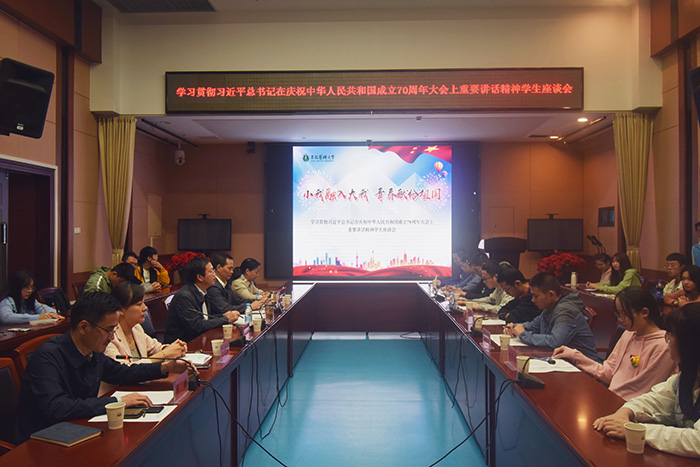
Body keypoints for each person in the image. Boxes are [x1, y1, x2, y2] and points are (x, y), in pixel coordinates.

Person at [17, 292, 191, 440]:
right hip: (45, 441)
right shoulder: (48, 356)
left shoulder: (93, 351)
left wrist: (165, 368)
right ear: (83, 327)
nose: (112, 337)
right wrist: (117, 402)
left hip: (82, 429)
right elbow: (57, 407)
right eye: (109, 330)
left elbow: (123, 373)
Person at [593, 303, 700, 458]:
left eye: (671, 336)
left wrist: (638, 431)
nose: (668, 342)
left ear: (690, 345)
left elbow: (696, 441)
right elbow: (656, 400)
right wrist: (626, 412)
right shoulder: (687, 377)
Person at [553, 287, 675, 401]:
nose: (620, 320)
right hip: (612, 399)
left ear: (644, 312)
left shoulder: (663, 346)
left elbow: (642, 391)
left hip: (630, 407)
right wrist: (575, 356)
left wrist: (605, 398)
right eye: (618, 315)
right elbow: (609, 372)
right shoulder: (629, 334)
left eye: (624, 315)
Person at [505, 272, 599, 362]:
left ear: (551, 295)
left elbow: (554, 342)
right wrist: (514, 327)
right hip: (563, 361)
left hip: (583, 366)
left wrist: (523, 334)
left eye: (535, 296)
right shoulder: (550, 307)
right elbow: (534, 325)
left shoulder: (567, 311)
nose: (532, 300)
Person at [105, 282, 187, 363]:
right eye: (139, 304)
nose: (145, 308)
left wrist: (175, 348)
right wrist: (165, 354)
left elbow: (155, 347)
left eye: (143, 303)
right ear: (121, 310)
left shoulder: (136, 327)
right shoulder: (109, 337)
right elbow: (125, 368)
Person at [164, 257, 240, 343]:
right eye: (211, 271)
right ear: (200, 277)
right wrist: (226, 319)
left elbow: (205, 318)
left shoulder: (202, 291)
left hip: (199, 338)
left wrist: (223, 316)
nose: (214, 274)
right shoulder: (185, 297)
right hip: (182, 344)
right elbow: (196, 326)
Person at [207, 253, 265, 317]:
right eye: (229, 269)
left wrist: (258, 302)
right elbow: (225, 309)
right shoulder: (213, 286)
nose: (232, 272)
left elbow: (238, 300)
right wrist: (250, 307)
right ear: (219, 268)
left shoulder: (226, 284)